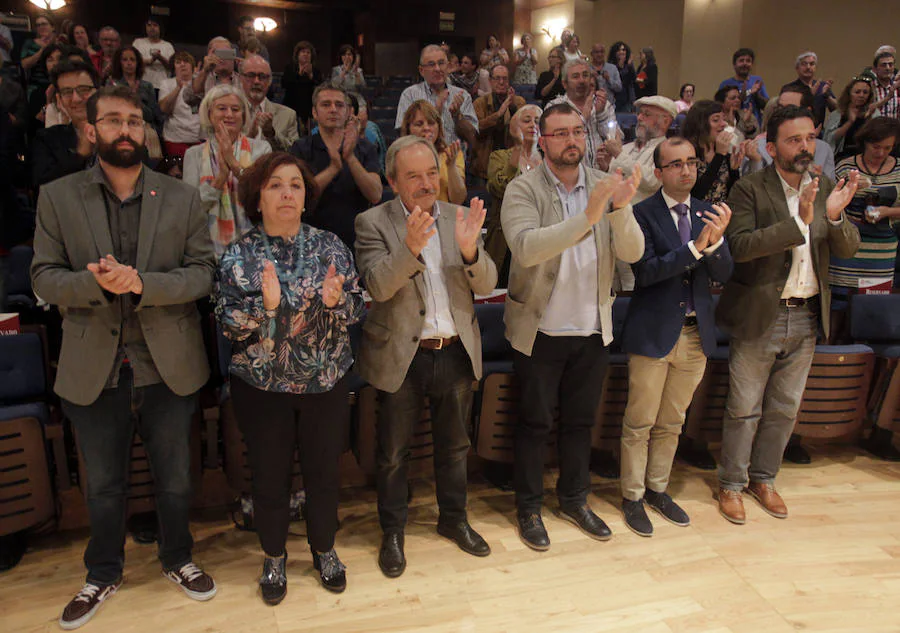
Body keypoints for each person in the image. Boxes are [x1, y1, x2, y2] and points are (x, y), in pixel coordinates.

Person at [31, 85, 218, 630]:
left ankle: (177, 558)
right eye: (112, 121)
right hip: (95, 367)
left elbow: (204, 273)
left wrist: (143, 284)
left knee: (176, 478)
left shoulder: (180, 197)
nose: (126, 130)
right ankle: (103, 571)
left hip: (169, 364)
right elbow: (42, 277)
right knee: (104, 484)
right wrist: (97, 286)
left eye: (135, 121)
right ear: (90, 131)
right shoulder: (58, 197)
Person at [216, 152, 364, 602]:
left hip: (325, 383)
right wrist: (268, 306)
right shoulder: (238, 254)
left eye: (295, 185)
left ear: (305, 197)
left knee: (323, 472)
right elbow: (228, 322)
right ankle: (274, 555)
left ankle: (324, 549)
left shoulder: (331, 246)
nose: (286, 193)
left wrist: (338, 302)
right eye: (275, 185)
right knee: (270, 475)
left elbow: (358, 309)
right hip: (262, 387)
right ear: (257, 198)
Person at [500, 102, 645, 551]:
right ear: (541, 141)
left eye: (577, 132)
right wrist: (588, 217)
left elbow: (634, 254)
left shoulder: (604, 186)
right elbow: (526, 248)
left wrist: (618, 210)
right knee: (534, 424)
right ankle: (528, 506)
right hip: (540, 331)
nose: (571, 141)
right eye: (559, 133)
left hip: (591, 329)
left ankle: (574, 499)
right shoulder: (523, 189)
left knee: (580, 424)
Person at [354, 135, 497, 578]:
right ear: (393, 180)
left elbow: (488, 283)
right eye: (413, 176)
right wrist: (410, 248)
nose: (425, 182)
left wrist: (471, 251)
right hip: (403, 355)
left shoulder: (458, 217)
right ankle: (393, 531)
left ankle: (454, 519)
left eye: (432, 172)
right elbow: (377, 286)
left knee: (455, 447)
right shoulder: (371, 222)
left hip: (454, 350)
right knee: (393, 453)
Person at [715, 105, 860, 525]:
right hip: (762, 312)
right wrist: (798, 221)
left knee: (784, 408)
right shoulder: (750, 189)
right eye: (794, 140)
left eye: (810, 138)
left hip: (808, 314)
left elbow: (848, 248)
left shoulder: (824, 182)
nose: (804, 147)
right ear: (770, 145)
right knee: (744, 407)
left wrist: (833, 215)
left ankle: (764, 479)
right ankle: (731, 484)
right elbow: (739, 247)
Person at [619, 137, 734, 537]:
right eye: (676, 164)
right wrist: (694, 249)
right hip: (652, 333)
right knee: (640, 422)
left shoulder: (708, 212)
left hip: (694, 334)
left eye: (691, 163)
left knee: (672, 421)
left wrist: (715, 244)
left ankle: (658, 489)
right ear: (659, 172)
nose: (686, 170)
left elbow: (723, 274)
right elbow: (646, 273)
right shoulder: (642, 214)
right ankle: (632, 496)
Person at [184, 85, 272, 258]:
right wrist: (220, 179)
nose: (229, 114)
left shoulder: (261, 149)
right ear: (209, 114)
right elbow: (191, 210)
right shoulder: (193, 154)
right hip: (206, 248)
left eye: (235, 109)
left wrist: (232, 162)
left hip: (256, 247)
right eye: (222, 108)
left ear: (244, 115)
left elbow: (262, 200)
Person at [292, 84, 381, 249]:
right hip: (311, 243)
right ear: (314, 112)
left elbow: (375, 194)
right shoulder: (301, 148)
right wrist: (333, 168)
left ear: (348, 112)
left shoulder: (365, 148)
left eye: (339, 105)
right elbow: (300, 197)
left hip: (357, 242)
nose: (333, 109)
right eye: (326, 104)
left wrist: (350, 158)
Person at [829, 117, 900, 292]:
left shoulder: (898, 168)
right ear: (865, 142)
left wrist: (888, 212)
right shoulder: (846, 166)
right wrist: (848, 190)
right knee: (839, 302)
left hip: (882, 250)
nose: (881, 153)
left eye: (887, 148)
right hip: (848, 246)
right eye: (876, 147)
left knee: (873, 305)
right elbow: (829, 204)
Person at [486, 104, 542, 282]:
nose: (533, 125)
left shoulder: (549, 161)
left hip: (540, 239)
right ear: (513, 127)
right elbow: (500, 188)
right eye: (527, 120)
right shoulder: (499, 157)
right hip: (506, 241)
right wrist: (518, 148)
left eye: (538, 121)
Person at [31, 59, 100, 187]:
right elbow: (42, 187)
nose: (76, 99)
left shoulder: (120, 132)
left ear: (98, 92)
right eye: (67, 92)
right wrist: (80, 155)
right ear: (59, 99)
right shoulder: (47, 139)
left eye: (84, 89)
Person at [395, 45, 478, 147]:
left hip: (455, 160)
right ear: (421, 70)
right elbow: (403, 136)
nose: (437, 69)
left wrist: (457, 116)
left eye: (441, 63)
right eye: (431, 64)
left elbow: (472, 138)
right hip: (421, 158)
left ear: (447, 66)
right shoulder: (410, 95)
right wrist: (436, 111)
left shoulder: (462, 95)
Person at [748, 87, 836, 181]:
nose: (780, 113)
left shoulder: (824, 149)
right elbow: (752, 189)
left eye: (789, 108)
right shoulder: (759, 147)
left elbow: (830, 190)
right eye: (779, 107)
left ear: (807, 111)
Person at [603, 95, 677, 203]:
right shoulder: (625, 148)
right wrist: (605, 167)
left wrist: (619, 155)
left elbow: (652, 181)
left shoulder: (669, 151)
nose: (639, 118)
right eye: (639, 113)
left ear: (665, 121)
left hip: (643, 217)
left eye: (646, 114)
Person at [548, 59, 617, 169]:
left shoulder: (604, 105)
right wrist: (582, 118)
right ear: (564, 83)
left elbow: (611, 139)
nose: (582, 80)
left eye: (585, 75)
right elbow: (558, 143)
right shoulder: (555, 108)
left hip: (600, 173)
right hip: (569, 174)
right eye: (575, 77)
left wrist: (600, 114)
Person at [400, 100, 466, 205]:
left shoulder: (452, 153)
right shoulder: (400, 156)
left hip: (444, 217)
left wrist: (451, 166)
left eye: (431, 123)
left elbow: (458, 200)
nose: (426, 128)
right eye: (419, 124)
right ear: (408, 129)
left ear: (439, 127)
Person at [683, 99, 743, 205]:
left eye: (723, 119)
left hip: (721, 216)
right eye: (716, 120)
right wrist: (719, 156)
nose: (724, 124)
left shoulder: (724, 153)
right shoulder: (687, 155)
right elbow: (696, 194)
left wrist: (734, 170)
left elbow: (733, 194)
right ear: (700, 125)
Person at [472, 64, 526, 179]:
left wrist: (512, 109)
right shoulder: (480, 103)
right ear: (490, 81)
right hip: (485, 163)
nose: (501, 82)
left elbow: (524, 131)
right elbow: (476, 131)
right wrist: (498, 114)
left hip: (512, 162)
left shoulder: (519, 102)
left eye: (505, 78)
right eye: (497, 78)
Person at [240, 55, 300, 152]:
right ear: (241, 79)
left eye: (262, 77)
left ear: (269, 81)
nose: (256, 81)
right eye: (251, 75)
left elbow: (295, 153)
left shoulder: (288, 115)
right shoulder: (229, 113)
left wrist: (272, 134)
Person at [159, 52, 202, 158]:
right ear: (174, 67)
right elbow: (163, 109)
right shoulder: (166, 84)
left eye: (186, 61)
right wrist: (178, 87)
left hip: (199, 139)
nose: (182, 64)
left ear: (193, 66)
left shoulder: (201, 84)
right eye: (178, 62)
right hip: (175, 138)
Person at [824, 77, 880, 160]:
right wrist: (850, 122)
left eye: (865, 92)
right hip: (843, 155)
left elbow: (879, 137)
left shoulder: (874, 113)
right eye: (857, 92)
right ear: (849, 93)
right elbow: (830, 139)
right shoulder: (838, 114)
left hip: (867, 155)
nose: (861, 95)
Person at [781, 51, 837, 126]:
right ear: (797, 68)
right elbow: (786, 114)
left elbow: (836, 110)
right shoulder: (789, 88)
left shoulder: (822, 86)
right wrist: (808, 96)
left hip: (818, 133)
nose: (808, 67)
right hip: (796, 129)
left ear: (815, 68)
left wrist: (827, 96)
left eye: (812, 64)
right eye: (804, 64)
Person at [110, 46, 161, 126]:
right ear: (119, 63)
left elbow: (152, 116)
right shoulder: (111, 83)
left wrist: (135, 99)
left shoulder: (147, 86)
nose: (129, 63)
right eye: (125, 60)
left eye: (132, 59)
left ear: (138, 63)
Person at [718, 48, 769, 124]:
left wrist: (755, 94)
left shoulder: (757, 80)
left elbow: (766, 106)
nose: (745, 63)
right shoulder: (726, 84)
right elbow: (719, 108)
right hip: (733, 124)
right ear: (734, 64)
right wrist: (740, 98)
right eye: (741, 61)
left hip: (754, 124)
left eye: (748, 61)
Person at [182, 37, 237, 107]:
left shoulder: (243, 79)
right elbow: (188, 98)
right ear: (208, 56)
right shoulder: (203, 79)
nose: (222, 58)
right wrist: (205, 71)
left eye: (226, 53)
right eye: (218, 53)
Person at [282, 41, 322, 134]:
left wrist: (311, 75)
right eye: (303, 52)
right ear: (297, 55)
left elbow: (320, 88)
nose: (306, 54)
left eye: (308, 52)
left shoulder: (316, 70)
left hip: (309, 104)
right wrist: (299, 74)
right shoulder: (290, 68)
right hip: (292, 102)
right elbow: (284, 84)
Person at [132, 18, 174, 92]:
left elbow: (172, 66)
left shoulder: (167, 45)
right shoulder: (138, 42)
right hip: (141, 84)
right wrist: (150, 61)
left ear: (160, 28)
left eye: (155, 25)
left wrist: (160, 58)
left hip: (161, 85)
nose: (152, 28)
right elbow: (133, 61)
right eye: (149, 25)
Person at [20, 14, 57, 80]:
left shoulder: (59, 44)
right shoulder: (30, 43)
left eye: (44, 24)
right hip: (36, 84)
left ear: (52, 27)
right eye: (38, 25)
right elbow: (24, 65)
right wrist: (42, 50)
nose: (41, 27)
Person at [871, 51, 900, 120]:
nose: (887, 68)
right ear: (875, 69)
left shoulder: (897, 86)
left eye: (890, 64)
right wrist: (888, 97)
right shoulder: (870, 87)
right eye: (883, 65)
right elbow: (867, 110)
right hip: (876, 128)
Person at [609, 41, 636, 112]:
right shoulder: (611, 66)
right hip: (615, 99)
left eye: (623, 50)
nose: (621, 52)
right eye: (619, 50)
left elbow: (632, 79)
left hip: (627, 99)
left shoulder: (629, 65)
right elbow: (619, 81)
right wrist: (620, 63)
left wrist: (630, 66)